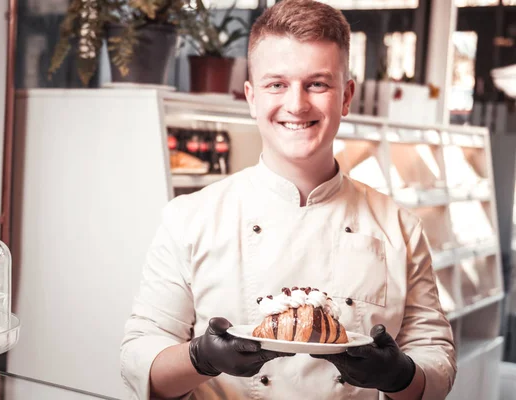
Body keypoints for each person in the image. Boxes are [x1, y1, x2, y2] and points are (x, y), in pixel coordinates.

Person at [120, 0, 456, 398]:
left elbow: (436, 357)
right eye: (276, 84)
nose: (296, 104)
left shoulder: (400, 227)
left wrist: (398, 375)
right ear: (251, 97)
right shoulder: (189, 218)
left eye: (318, 83)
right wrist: (200, 358)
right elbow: (138, 358)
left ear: (346, 96)